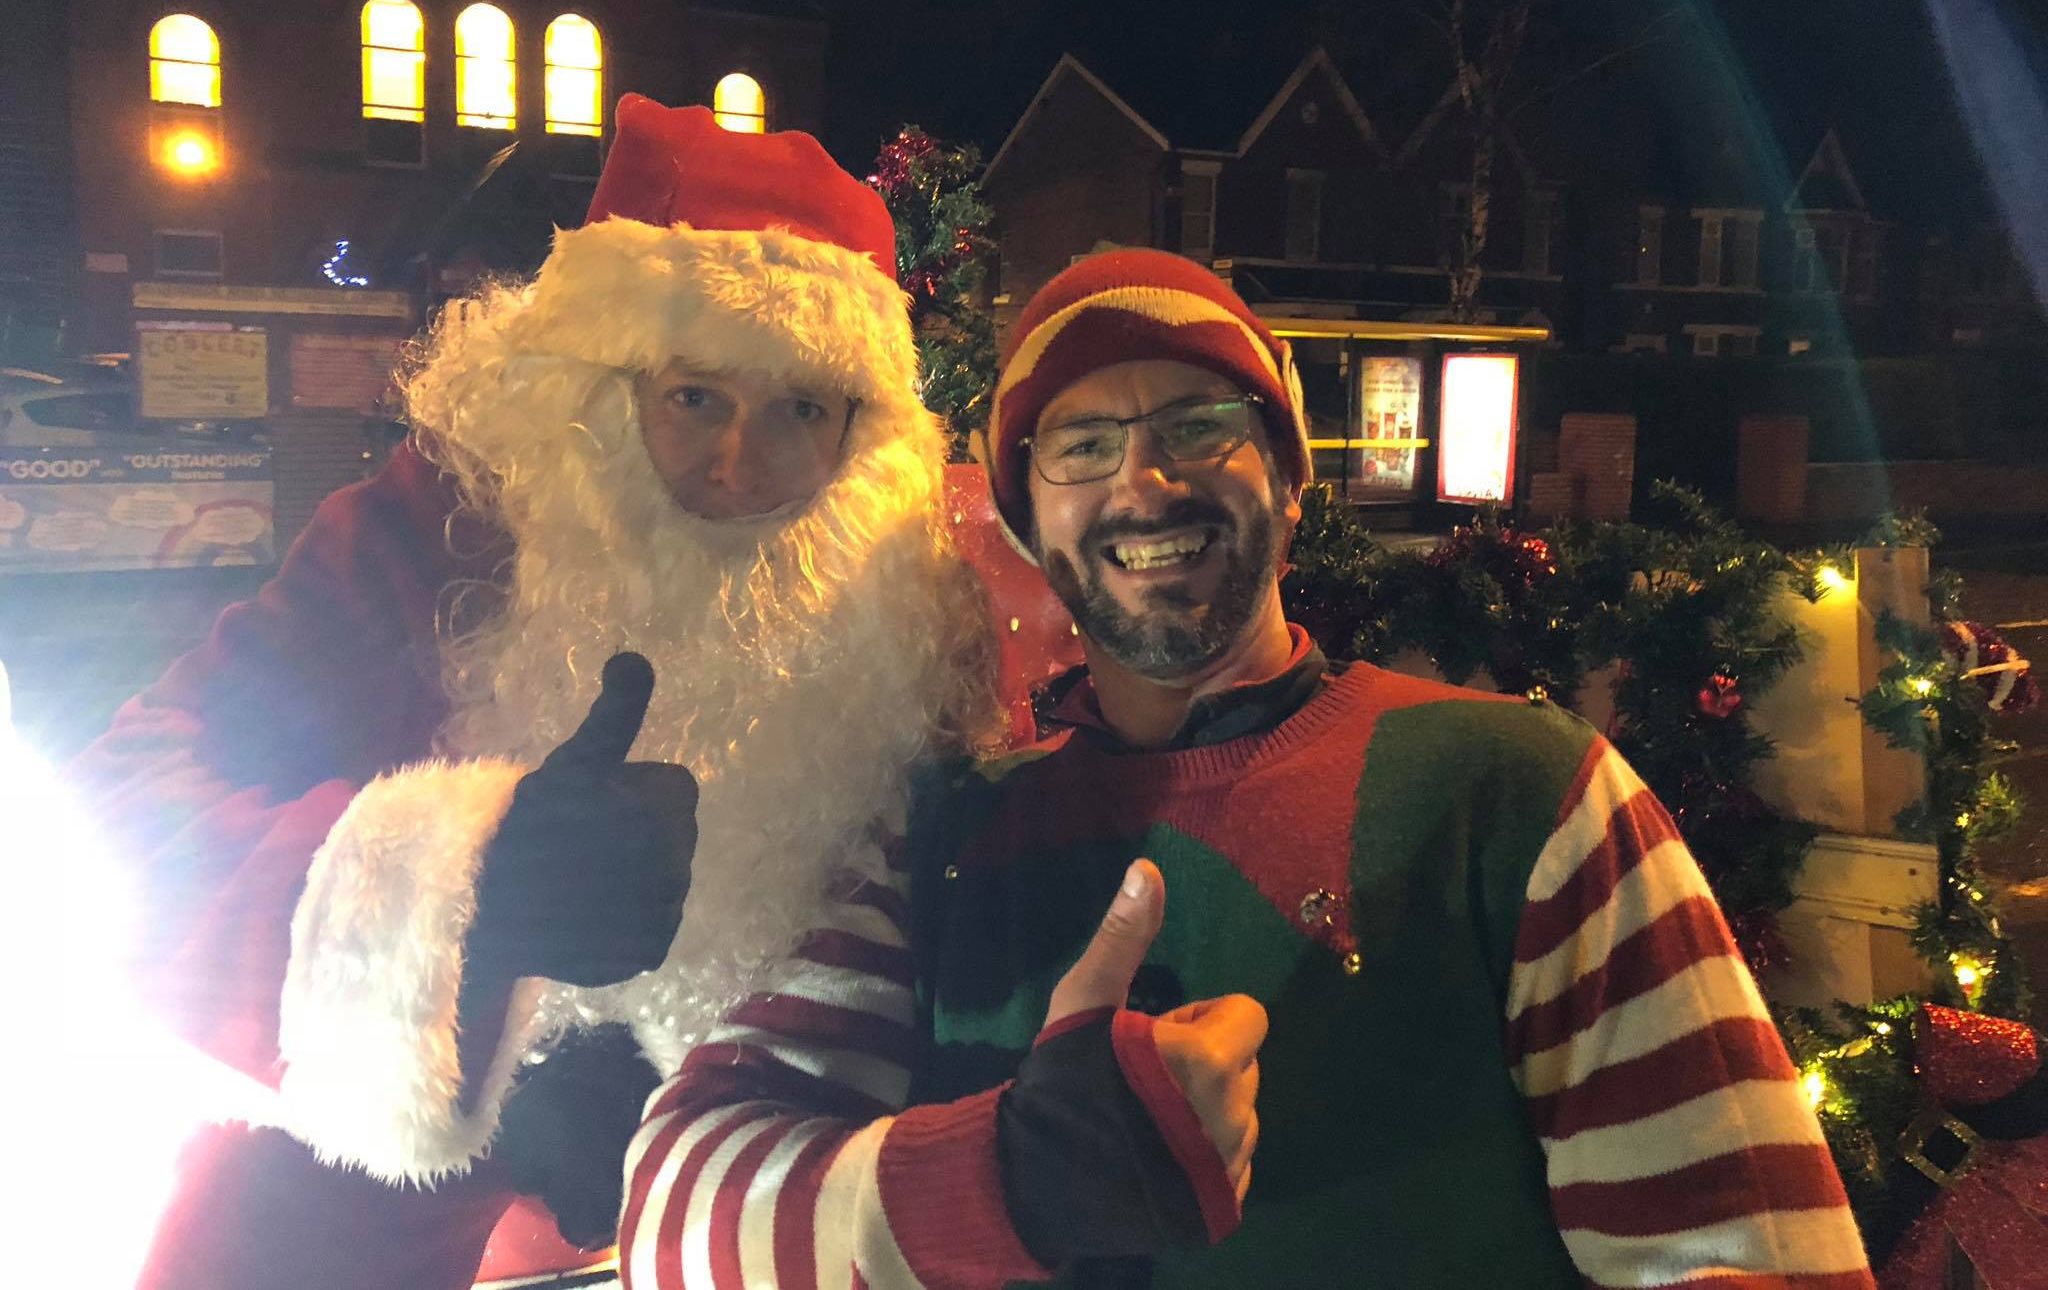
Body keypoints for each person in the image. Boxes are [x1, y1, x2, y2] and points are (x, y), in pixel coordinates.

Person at [618, 248, 1876, 1288]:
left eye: (1197, 425)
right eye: (1081, 445)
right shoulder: (936, 832)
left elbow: (1747, 1254)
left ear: (1285, 471)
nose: (1142, 482)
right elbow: (673, 1218)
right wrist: (1010, 1181)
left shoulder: (1522, 796)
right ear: (1023, 515)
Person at [70, 95, 999, 1289]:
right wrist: (468, 900)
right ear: (606, 394)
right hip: (374, 1218)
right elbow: (125, 810)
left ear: (857, 436)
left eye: (799, 411)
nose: (735, 465)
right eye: (695, 398)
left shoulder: (908, 611)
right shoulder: (435, 537)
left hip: (768, 1216)